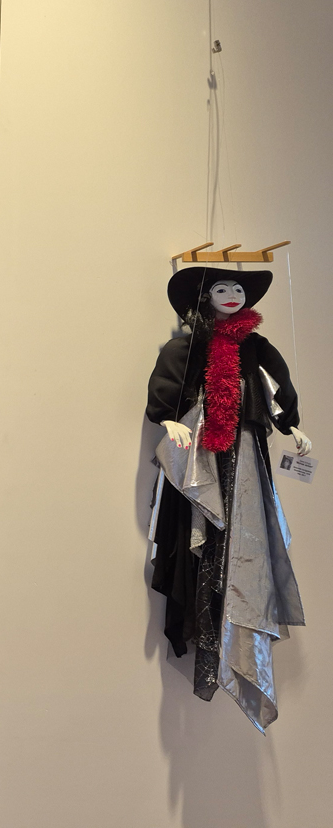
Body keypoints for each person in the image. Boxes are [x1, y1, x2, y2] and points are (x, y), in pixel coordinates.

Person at [146, 266, 309, 731]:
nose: (232, 294)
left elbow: (277, 387)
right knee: (205, 536)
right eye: (221, 288)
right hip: (204, 454)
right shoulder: (188, 348)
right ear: (205, 297)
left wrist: (290, 425)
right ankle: (208, 624)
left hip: (247, 457)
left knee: (248, 535)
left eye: (238, 288)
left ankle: (240, 630)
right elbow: (168, 386)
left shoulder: (255, 347)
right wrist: (168, 418)